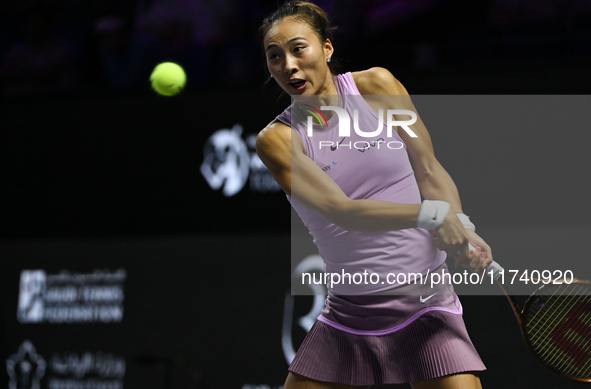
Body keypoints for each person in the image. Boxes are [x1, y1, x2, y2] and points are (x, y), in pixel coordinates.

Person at [255, 2, 494, 388]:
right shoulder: (278, 140)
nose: (288, 65)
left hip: (427, 302)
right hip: (351, 314)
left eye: (299, 48)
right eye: (274, 56)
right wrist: (432, 216)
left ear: (327, 48)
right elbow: (343, 211)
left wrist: (460, 225)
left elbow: (429, 169)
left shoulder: (377, 87)